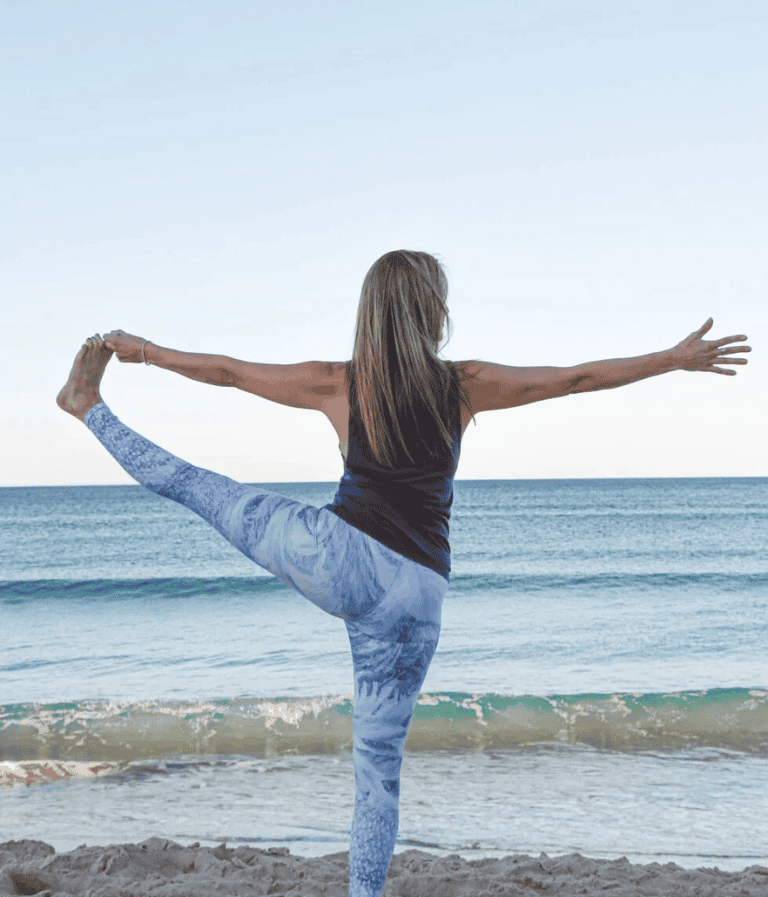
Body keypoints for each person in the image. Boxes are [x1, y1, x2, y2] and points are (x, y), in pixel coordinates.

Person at [56, 248, 750, 897]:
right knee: (377, 774)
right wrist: (672, 359)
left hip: (337, 559)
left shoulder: (340, 383)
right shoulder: (465, 386)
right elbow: (576, 379)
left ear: (371, 310)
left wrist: (146, 353)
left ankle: (87, 407)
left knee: (198, 488)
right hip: (417, 597)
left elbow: (232, 372)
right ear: (432, 312)